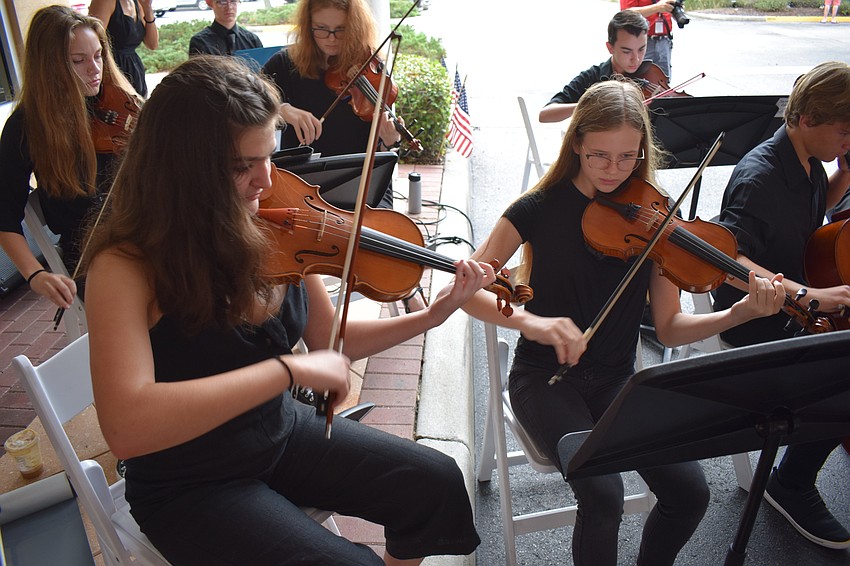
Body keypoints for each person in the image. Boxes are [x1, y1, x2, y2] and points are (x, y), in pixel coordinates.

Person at [82, 54, 489, 565]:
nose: (266, 182)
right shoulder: (125, 267)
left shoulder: (268, 224)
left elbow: (331, 341)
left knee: (435, 483)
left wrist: (433, 316)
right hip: (190, 480)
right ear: (182, 169)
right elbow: (126, 428)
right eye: (241, 167)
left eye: (268, 156)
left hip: (277, 432)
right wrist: (285, 370)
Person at [463, 79, 786, 566]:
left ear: (643, 152)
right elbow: (467, 295)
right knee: (604, 495)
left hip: (617, 382)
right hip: (545, 382)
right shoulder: (533, 210)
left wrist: (738, 311)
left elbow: (671, 328)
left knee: (690, 494)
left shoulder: (652, 221)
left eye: (627, 157)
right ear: (576, 144)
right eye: (599, 156)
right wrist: (535, 324)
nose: (613, 170)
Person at [715, 61, 850, 550]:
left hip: (795, 302)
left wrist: (842, 175)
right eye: (844, 132)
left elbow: (813, 215)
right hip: (757, 319)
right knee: (844, 369)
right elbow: (727, 260)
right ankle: (789, 483)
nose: (848, 141)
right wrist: (808, 295)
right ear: (808, 119)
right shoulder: (761, 177)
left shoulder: (808, 161)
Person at [0, 5, 140, 311]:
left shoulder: (115, 103)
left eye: (98, 55)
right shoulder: (26, 126)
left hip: (144, 232)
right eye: (78, 61)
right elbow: (4, 213)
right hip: (94, 256)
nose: (95, 69)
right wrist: (35, 274)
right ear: (49, 65)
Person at [261, 0, 402, 209]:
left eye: (341, 30)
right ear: (308, 26)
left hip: (361, 183)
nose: (331, 38)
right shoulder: (284, 64)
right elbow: (252, 105)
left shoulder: (370, 68)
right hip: (301, 184)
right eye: (322, 29)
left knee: (377, 231)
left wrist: (390, 142)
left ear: (354, 27)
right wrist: (282, 110)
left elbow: (382, 151)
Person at [539, 10, 648, 123]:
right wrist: (591, 106)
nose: (636, 59)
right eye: (627, 51)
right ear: (610, 48)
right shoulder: (592, 77)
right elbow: (545, 114)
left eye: (641, 49)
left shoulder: (652, 74)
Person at [89, 0, 158, 97]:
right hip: (112, 70)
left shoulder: (138, 3)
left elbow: (152, 44)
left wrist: (148, 9)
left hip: (134, 70)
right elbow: (93, 43)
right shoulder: (105, 1)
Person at [621, 0, 677, 80]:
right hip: (641, 42)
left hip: (664, 40)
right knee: (639, 79)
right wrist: (657, 7)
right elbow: (626, 14)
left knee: (664, 80)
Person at [189, 0, 262, 56]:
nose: (229, 7)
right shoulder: (200, 42)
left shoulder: (252, 40)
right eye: (222, 2)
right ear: (210, 3)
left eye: (233, 1)